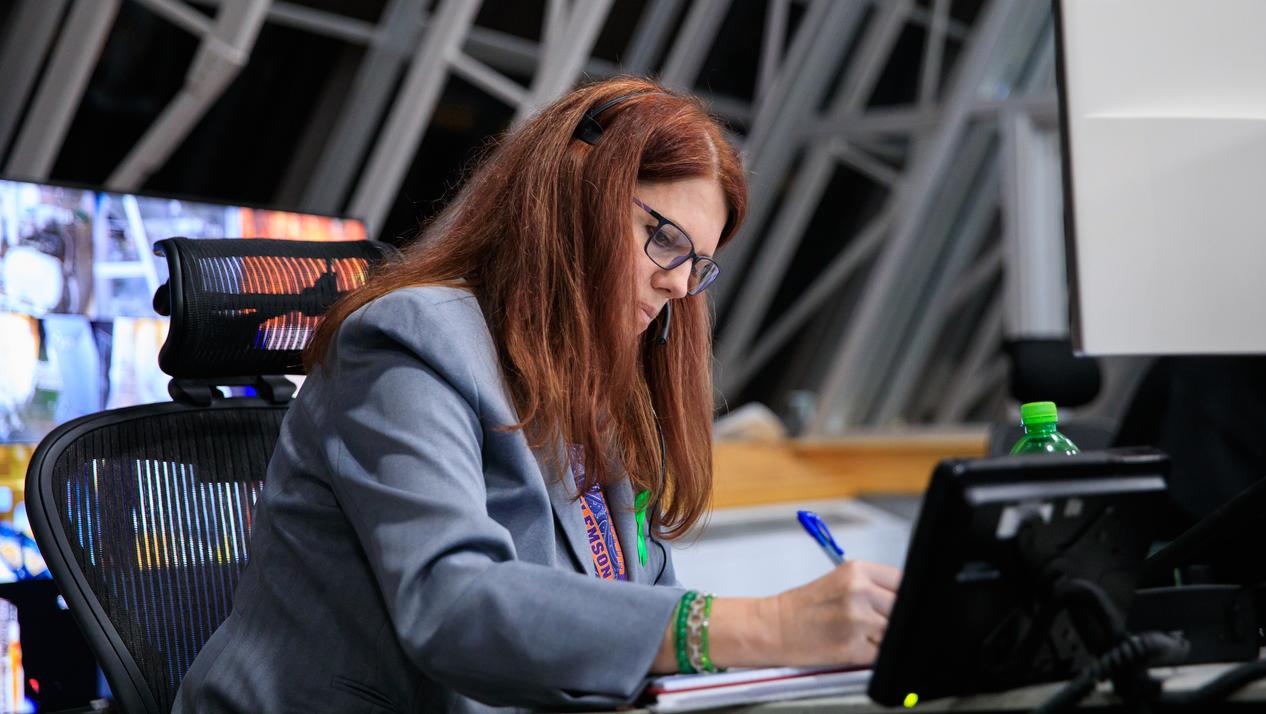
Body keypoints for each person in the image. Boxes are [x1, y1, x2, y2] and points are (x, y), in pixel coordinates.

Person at [174, 77, 901, 713]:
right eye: (666, 239)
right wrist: (768, 626)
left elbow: (630, 609)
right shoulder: (407, 339)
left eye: (700, 266)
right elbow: (453, 605)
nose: (681, 284)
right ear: (574, 196)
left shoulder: (600, 395)